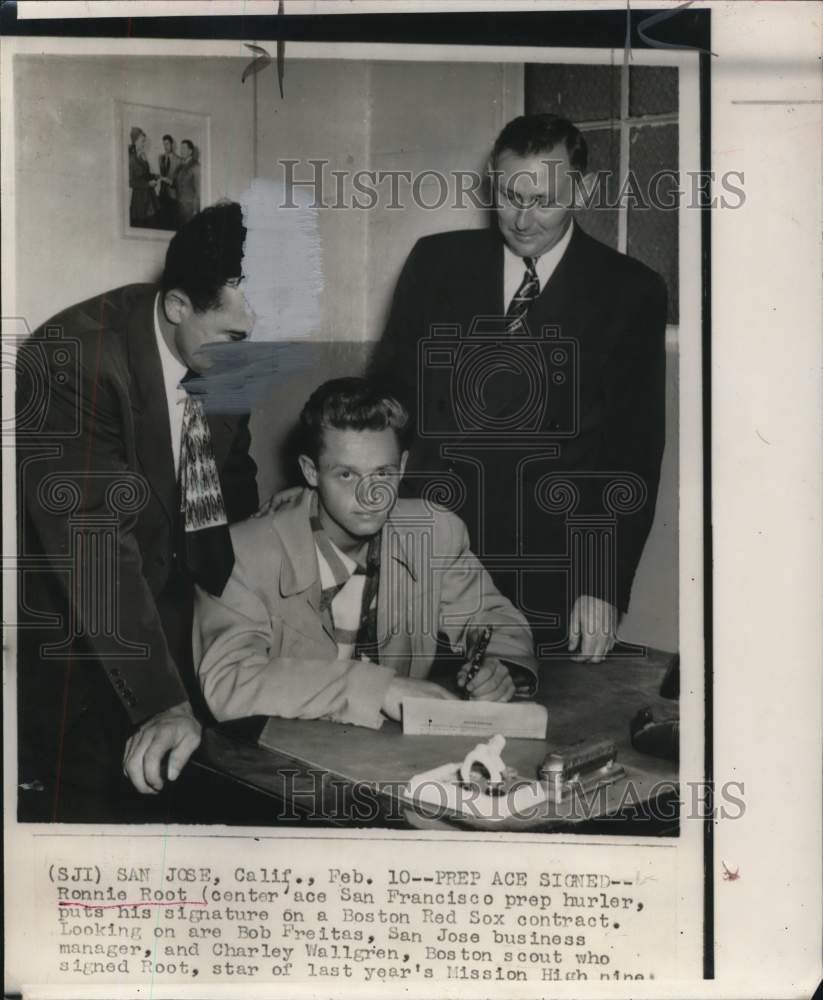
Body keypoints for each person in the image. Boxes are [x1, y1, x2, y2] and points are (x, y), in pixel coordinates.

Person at [368, 113, 667, 663]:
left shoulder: (632, 292)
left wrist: (601, 582)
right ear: (491, 178)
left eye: (544, 200)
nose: (523, 219)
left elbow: (632, 453)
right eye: (509, 195)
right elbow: (384, 400)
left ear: (583, 189)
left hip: (548, 571)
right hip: (427, 555)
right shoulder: (435, 263)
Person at [16, 201, 259, 822]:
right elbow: (94, 549)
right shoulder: (71, 358)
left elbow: (232, 471)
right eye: (232, 334)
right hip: (87, 638)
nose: (245, 348)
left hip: (182, 618)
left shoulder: (225, 345)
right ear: (177, 307)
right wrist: (160, 702)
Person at [194, 378, 538, 728]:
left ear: (402, 466)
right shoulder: (242, 552)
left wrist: (499, 666)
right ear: (311, 471)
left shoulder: (434, 533)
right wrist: (381, 690)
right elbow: (229, 682)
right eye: (346, 474)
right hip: (280, 768)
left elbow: (496, 620)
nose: (369, 496)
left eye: (383, 474)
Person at [127, 126, 158, 227]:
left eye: (144, 141)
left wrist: (155, 176)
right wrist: (148, 184)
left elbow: (145, 174)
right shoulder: (131, 158)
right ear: (135, 140)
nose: (144, 144)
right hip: (139, 199)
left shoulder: (141, 155)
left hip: (148, 197)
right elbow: (131, 182)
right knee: (142, 225)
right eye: (142, 141)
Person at [156, 133, 181, 230]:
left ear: (172, 144)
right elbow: (162, 174)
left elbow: (178, 180)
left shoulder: (179, 160)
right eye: (164, 144)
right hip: (162, 193)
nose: (165, 147)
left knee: (172, 221)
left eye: (167, 144)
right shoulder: (160, 158)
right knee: (163, 221)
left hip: (173, 194)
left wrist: (169, 181)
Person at [174, 139, 201, 227]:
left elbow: (198, 190)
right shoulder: (180, 166)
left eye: (184, 148)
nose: (181, 151)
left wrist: (196, 210)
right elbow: (177, 184)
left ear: (190, 151)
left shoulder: (195, 165)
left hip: (190, 208)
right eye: (181, 148)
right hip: (179, 206)